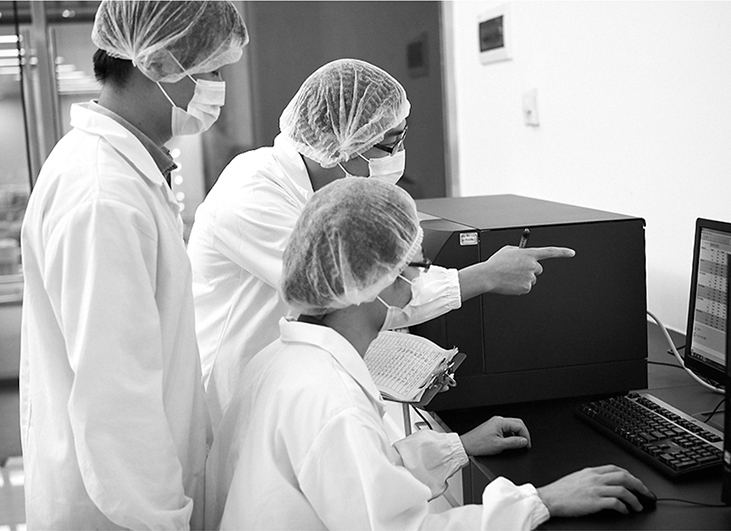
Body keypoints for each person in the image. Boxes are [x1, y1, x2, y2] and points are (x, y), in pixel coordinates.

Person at [204, 177, 652, 530]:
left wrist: (458, 446)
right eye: (413, 266)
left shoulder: (279, 361)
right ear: (370, 280)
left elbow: (363, 478)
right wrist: (541, 500)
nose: (418, 280)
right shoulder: (332, 401)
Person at [188, 58, 576, 432]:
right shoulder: (253, 195)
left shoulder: (322, 193)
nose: (398, 156)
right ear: (342, 142)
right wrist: (486, 275)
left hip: (291, 387)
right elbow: (358, 292)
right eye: (391, 143)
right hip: (236, 403)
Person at [19, 1, 247, 529]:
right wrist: (165, 520)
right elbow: (116, 403)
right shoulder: (104, 197)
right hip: (124, 514)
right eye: (211, 71)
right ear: (158, 62)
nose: (218, 88)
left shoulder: (118, 173)